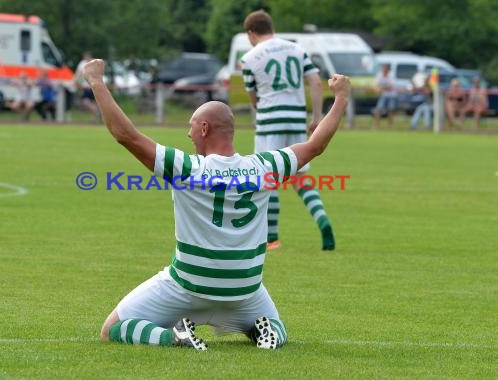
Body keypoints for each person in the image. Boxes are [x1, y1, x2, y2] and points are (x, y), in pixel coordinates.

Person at [83, 58, 350, 350]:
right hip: (244, 290)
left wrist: (96, 81)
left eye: (192, 126)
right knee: (276, 326)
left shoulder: (188, 168)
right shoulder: (265, 166)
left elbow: (125, 135)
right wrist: (341, 98)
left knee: (113, 329)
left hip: (189, 287)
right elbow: (316, 146)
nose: (188, 133)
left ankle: (174, 336)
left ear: (205, 129)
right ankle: (266, 334)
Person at [241, 10, 335, 251]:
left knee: (268, 177)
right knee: (299, 175)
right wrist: (316, 117)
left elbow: (253, 98)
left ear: (252, 33)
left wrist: (258, 110)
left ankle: (272, 238)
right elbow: (315, 81)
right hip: (295, 118)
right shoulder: (297, 49)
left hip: (270, 118)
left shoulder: (250, 57)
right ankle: (322, 219)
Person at [75, 51, 100, 122]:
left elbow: (78, 74)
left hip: (90, 86)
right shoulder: (83, 63)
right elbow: (78, 74)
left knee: (87, 101)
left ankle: (95, 116)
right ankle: (96, 114)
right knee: (89, 102)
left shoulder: (92, 63)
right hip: (88, 86)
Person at [373, 64, 397, 128]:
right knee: (378, 109)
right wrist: (378, 88)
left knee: (390, 110)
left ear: (387, 70)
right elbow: (375, 85)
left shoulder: (391, 75)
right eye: (383, 69)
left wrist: (381, 88)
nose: (383, 70)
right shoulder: (380, 74)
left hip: (392, 95)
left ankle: (390, 125)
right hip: (384, 95)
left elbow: (391, 87)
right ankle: (376, 125)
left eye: (384, 69)